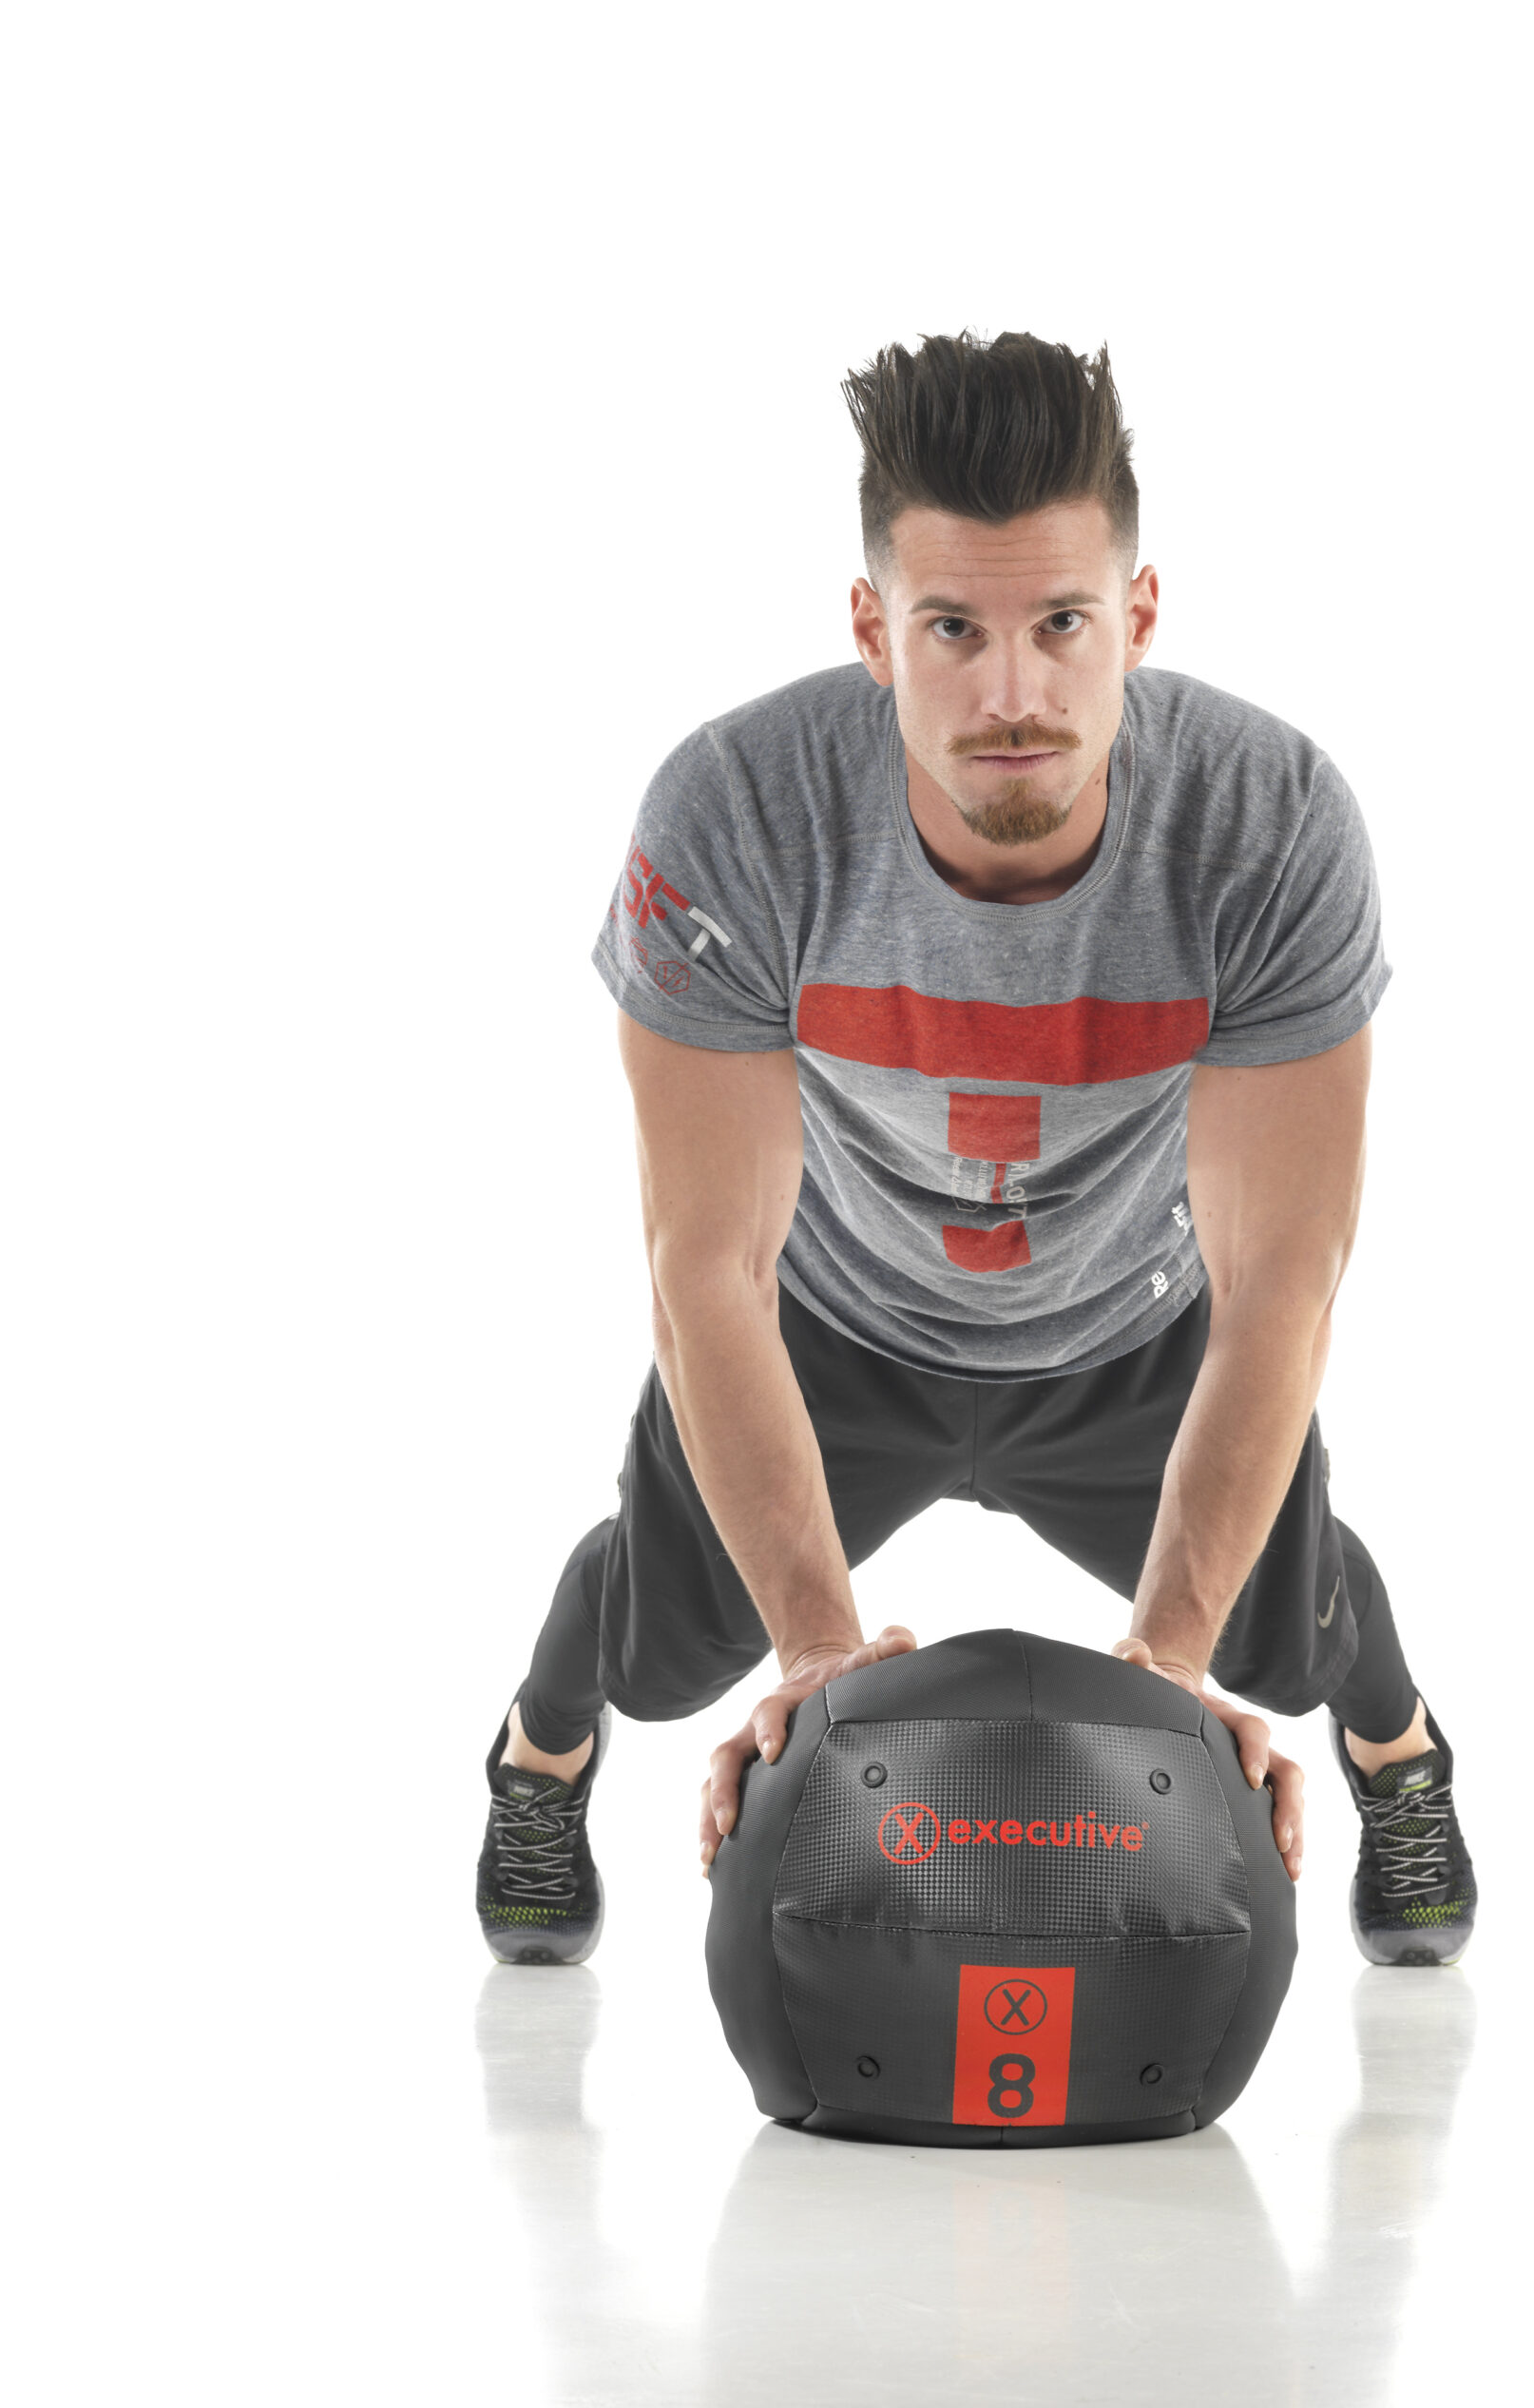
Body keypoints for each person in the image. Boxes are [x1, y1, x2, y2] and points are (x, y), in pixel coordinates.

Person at [475, 332, 1476, 1974]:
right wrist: (812, 1651)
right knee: (653, 1647)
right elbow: (703, 1266)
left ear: (1136, 618)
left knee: (1288, 1633)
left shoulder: (1271, 823)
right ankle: (537, 1756)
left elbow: (1280, 1278)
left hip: (1127, 1331)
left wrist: (1169, 1661)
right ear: (874, 632)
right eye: (952, 629)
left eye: (1060, 624)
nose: (1012, 694)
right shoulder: (735, 810)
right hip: (830, 1329)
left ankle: (1400, 1754)